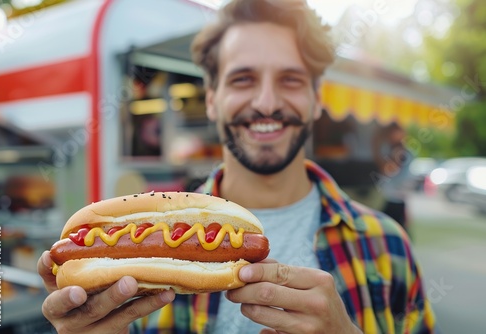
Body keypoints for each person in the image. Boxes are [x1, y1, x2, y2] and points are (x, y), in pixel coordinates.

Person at [37, 0, 437, 333]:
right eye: (243, 79)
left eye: (291, 80)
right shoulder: (123, 274)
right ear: (212, 98)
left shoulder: (388, 245)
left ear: (316, 99)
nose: (266, 102)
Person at [372, 122, 415, 232]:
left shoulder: (403, 152)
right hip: (388, 198)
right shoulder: (389, 150)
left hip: (395, 199)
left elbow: (391, 173)